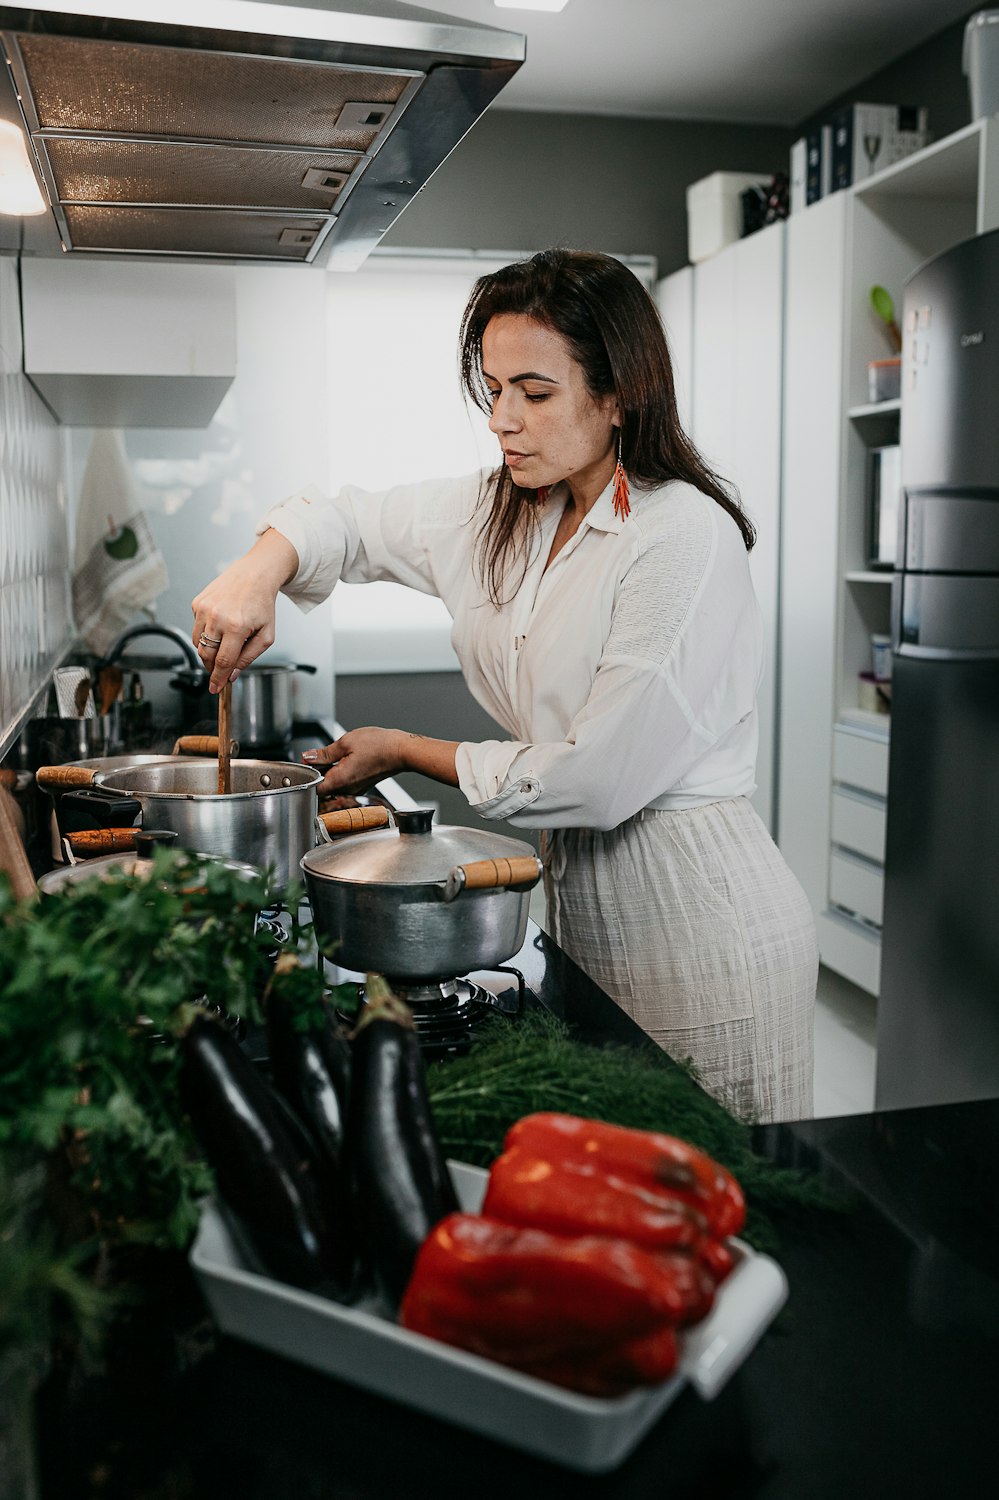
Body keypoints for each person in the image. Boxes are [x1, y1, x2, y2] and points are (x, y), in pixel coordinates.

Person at [192, 248, 816, 1124]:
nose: (502, 420)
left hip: (701, 923)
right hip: (589, 916)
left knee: (715, 1201)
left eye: (535, 392)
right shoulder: (510, 509)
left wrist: (406, 748)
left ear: (618, 393)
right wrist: (259, 570)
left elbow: (595, 780)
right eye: (492, 390)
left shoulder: (680, 539)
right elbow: (350, 520)